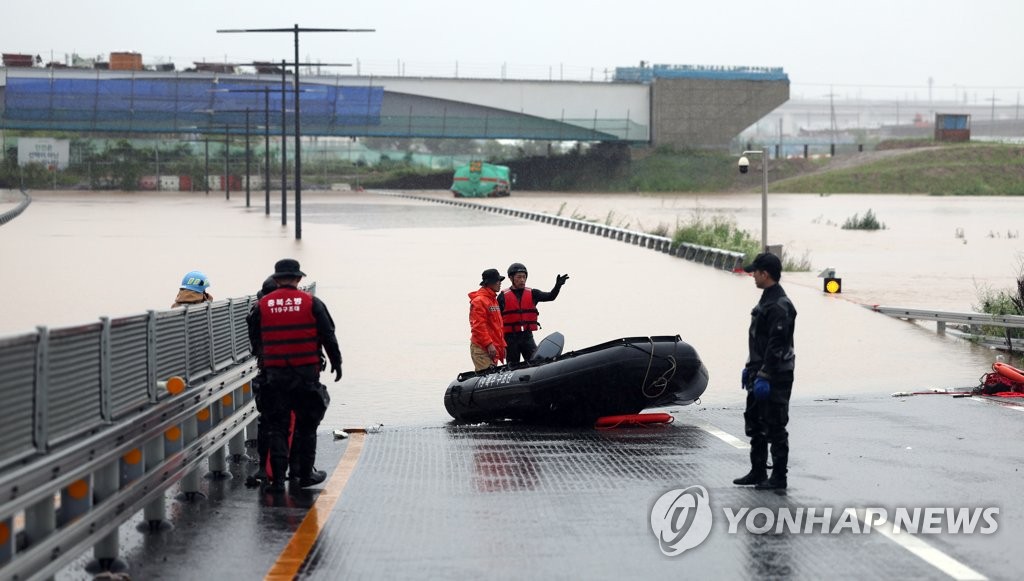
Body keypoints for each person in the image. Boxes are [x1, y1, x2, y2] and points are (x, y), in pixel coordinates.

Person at [247, 259, 342, 492]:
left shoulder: (262, 305)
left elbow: (254, 340)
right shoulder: (312, 302)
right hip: (306, 376)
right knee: (306, 427)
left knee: (278, 427)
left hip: (274, 376)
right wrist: (336, 362)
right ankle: (305, 475)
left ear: (277, 279)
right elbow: (328, 335)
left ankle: (278, 480)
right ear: (299, 279)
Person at [734, 252, 797, 491]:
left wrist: (765, 374)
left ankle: (779, 477)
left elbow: (776, 345)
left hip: (775, 375)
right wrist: (750, 367)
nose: (752, 276)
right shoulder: (766, 300)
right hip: (758, 372)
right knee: (755, 422)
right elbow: (759, 342)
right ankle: (758, 471)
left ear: (765, 274)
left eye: (755, 272)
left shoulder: (780, 305)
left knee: (775, 425)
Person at [498, 263, 568, 365]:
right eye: (519, 277)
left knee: (535, 363)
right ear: (511, 278)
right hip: (510, 338)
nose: (522, 280)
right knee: (512, 365)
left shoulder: (533, 293)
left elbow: (550, 296)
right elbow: (495, 319)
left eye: (524, 277)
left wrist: (557, 286)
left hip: (527, 337)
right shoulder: (502, 297)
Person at [469, 268, 507, 372]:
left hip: (493, 348)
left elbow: (498, 326)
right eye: (497, 281)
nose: (500, 283)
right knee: (487, 376)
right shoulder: (479, 301)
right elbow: (478, 326)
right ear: (489, 283)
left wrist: (502, 345)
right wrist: (489, 344)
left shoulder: (493, 300)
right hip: (482, 348)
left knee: (493, 375)